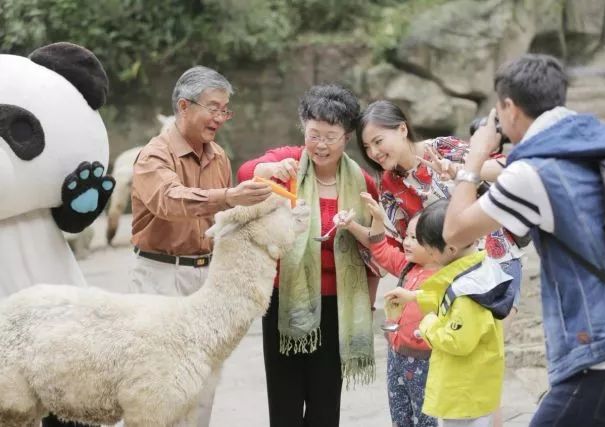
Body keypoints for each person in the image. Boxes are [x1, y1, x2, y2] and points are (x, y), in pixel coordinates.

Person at [442, 54, 605, 426]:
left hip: (601, 355)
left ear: (509, 108)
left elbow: (454, 232)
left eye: (498, 114)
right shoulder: (599, 146)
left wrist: (474, 155)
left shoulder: (532, 174)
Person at [355, 101, 522, 425]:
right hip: (445, 281)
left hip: (491, 261)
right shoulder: (388, 184)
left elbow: (503, 170)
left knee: (483, 363)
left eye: (378, 141)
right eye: (366, 147)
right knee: (457, 366)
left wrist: (458, 171)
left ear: (402, 129)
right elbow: (404, 246)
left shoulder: (443, 148)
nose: (374, 152)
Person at [129, 65, 272, 427]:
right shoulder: (153, 156)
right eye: (214, 107)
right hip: (160, 276)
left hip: (206, 277)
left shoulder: (219, 156)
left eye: (225, 109)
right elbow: (170, 200)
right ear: (184, 106)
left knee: (204, 378)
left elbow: (221, 221)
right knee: (159, 383)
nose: (220, 118)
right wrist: (230, 196)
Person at [236, 83, 379, 427]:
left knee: (325, 406)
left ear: (347, 137)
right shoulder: (287, 163)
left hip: (338, 306)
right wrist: (266, 172)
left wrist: (370, 304)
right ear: (303, 129)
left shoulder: (361, 183)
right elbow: (245, 174)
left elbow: (374, 248)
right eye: (314, 135)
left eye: (331, 136)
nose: (321, 145)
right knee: (284, 407)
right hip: (285, 302)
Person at [385, 200, 513, 427]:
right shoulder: (477, 266)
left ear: (451, 249)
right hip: (474, 388)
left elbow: (457, 340)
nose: (432, 258)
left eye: (432, 252)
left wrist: (427, 324)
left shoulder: (468, 293)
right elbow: (449, 299)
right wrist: (415, 297)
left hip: (464, 394)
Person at [338, 192, 438, 427]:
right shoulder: (407, 267)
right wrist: (373, 221)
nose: (407, 242)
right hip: (397, 356)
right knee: (401, 416)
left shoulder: (445, 278)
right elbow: (381, 250)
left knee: (426, 418)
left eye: (416, 238)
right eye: (408, 236)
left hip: (426, 361)